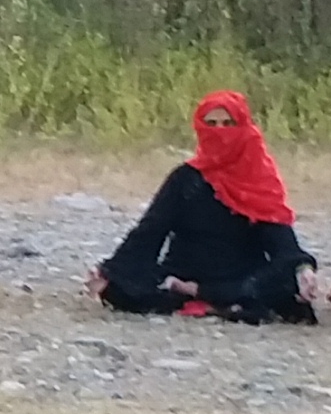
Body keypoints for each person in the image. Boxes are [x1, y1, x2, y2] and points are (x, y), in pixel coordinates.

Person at [93, 90, 315, 321]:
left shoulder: (258, 179)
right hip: (184, 272)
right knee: (120, 288)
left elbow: (280, 239)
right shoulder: (185, 178)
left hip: (242, 276)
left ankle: (203, 296)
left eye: (228, 123)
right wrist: (111, 270)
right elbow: (151, 230)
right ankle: (216, 302)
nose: (219, 131)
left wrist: (303, 270)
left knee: (286, 284)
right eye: (211, 124)